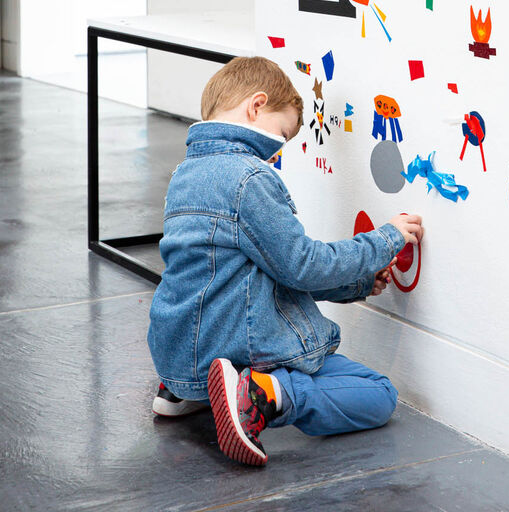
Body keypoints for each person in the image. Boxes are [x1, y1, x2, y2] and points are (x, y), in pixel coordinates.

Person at [147, 55, 423, 466]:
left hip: (177, 352)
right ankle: (264, 394)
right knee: (380, 394)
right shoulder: (247, 178)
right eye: (282, 133)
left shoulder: (186, 173)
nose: (279, 151)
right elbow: (302, 265)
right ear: (256, 106)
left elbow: (262, 271)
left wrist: (359, 285)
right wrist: (386, 239)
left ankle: (188, 387)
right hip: (235, 343)